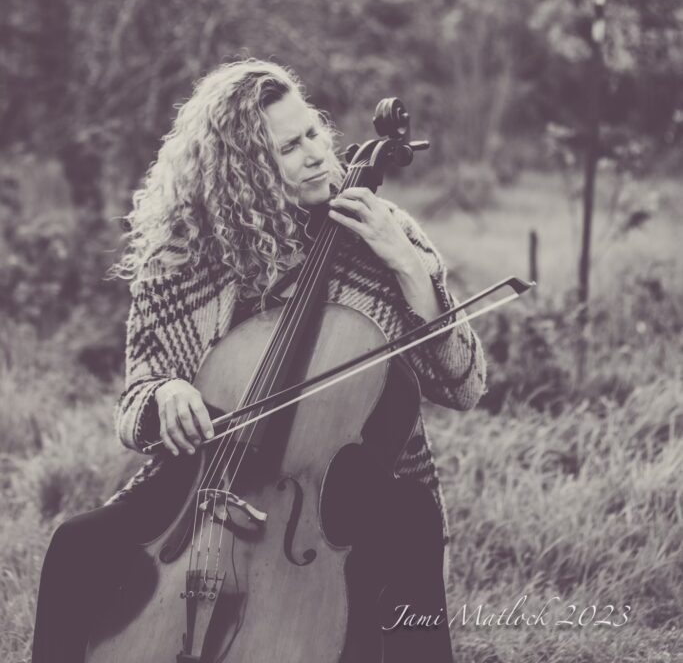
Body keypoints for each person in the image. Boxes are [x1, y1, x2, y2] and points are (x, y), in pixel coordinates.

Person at [32, 59, 487, 663]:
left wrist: (410, 269)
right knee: (77, 546)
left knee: (407, 521)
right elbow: (135, 401)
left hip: (336, 483)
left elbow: (464, 385)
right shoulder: (181, 257)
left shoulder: (382, 234)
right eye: (290, 148)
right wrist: (165, 396)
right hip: (205, 482)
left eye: (314, 135)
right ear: (242, 172)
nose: (319, 155)